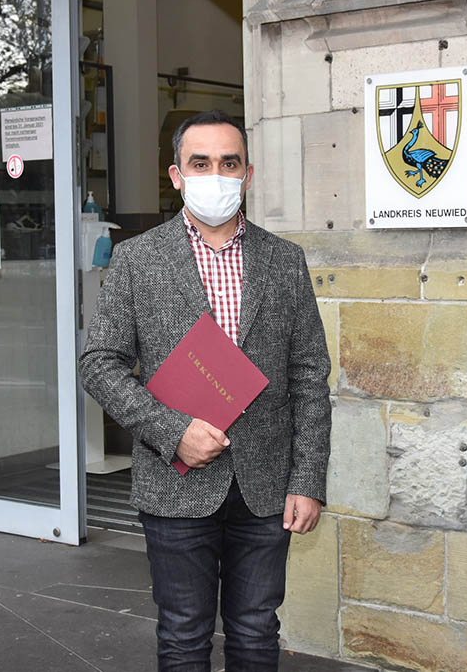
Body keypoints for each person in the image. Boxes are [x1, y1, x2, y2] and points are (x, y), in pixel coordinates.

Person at [79, 109, 331, 671]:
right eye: (201, 163)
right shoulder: (136, 259)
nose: (215, 174)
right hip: (176, 481)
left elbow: (311, 377)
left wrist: (308, 480)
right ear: (176, 175)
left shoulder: (285, 261)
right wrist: (172, 432)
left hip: (268, 487)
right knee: (184, 636)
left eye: (228, 163)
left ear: (247, 174)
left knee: (256, 631)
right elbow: (100, 363)